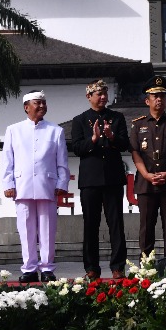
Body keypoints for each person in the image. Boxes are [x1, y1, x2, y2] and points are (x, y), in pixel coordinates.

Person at [1, 90, 71, 283]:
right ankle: (29, 267)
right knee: (26, 228)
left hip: (47, 185)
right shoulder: (13, 130)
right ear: (26, 107)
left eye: (43, 103)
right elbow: (8, 160)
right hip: (22, 185)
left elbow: (62, 162)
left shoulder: (55, 130)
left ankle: (47, 268)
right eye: (37, 103)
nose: (41, 106)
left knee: (48, 229)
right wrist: (8, 183)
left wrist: (62, 182)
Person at [68, 80, 130, 280]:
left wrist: (111, 137)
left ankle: (118, 266)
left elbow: (125, 144)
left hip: (112, 178)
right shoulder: (79, 120)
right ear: (89, 97)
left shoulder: (117, 117)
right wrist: (93, 140)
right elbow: (76, 148)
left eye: (104, 93)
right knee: (90, 225)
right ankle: (91, 268)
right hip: (90, 179)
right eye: (98, 94)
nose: (102, 97)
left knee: (116, 224)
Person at [130, 75, 166, 258]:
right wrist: (146, 175)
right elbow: (135, 153)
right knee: (146, 225)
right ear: (147, 100)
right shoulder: (138, 125)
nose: (159, 100)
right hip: (146, 183)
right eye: (155, 96)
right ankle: (146, 264)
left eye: (162, 96)